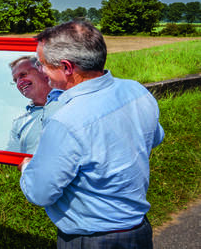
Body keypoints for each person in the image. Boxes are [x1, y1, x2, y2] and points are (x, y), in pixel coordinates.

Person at [19, 20, 165, 248]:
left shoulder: (66, 121)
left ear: (67, 68)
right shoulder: (136, 90)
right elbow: (155, 137)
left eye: (44, 64)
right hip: (139, 231)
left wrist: (28, 166)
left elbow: (40, 193)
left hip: (92, 240)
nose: (41, 71)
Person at [5, 55, 62, 154]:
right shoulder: (19, 123)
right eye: (15, 80)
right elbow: (8, 160)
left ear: (44, 71)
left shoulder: (73, 101)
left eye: (23, 75)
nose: (19, 83)